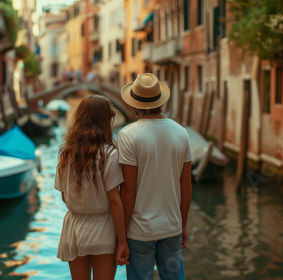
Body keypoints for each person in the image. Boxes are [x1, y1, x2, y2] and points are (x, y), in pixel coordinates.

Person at [117, 73, 192, 280]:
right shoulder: (181, 132)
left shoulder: (128, 135)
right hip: (171, 227)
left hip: (139, 232)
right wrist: (183, 225)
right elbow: (186, 186)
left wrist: (121, 236)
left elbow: (129, 192)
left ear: (134, 104)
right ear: (160, 101)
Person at [55, 95, 130, 280]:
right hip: (103, 229)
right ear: (106, 120)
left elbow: (65, 197)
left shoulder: (66, 152)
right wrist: (122, 241)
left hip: (74, 228)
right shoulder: (110, 155)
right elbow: (115, 201)